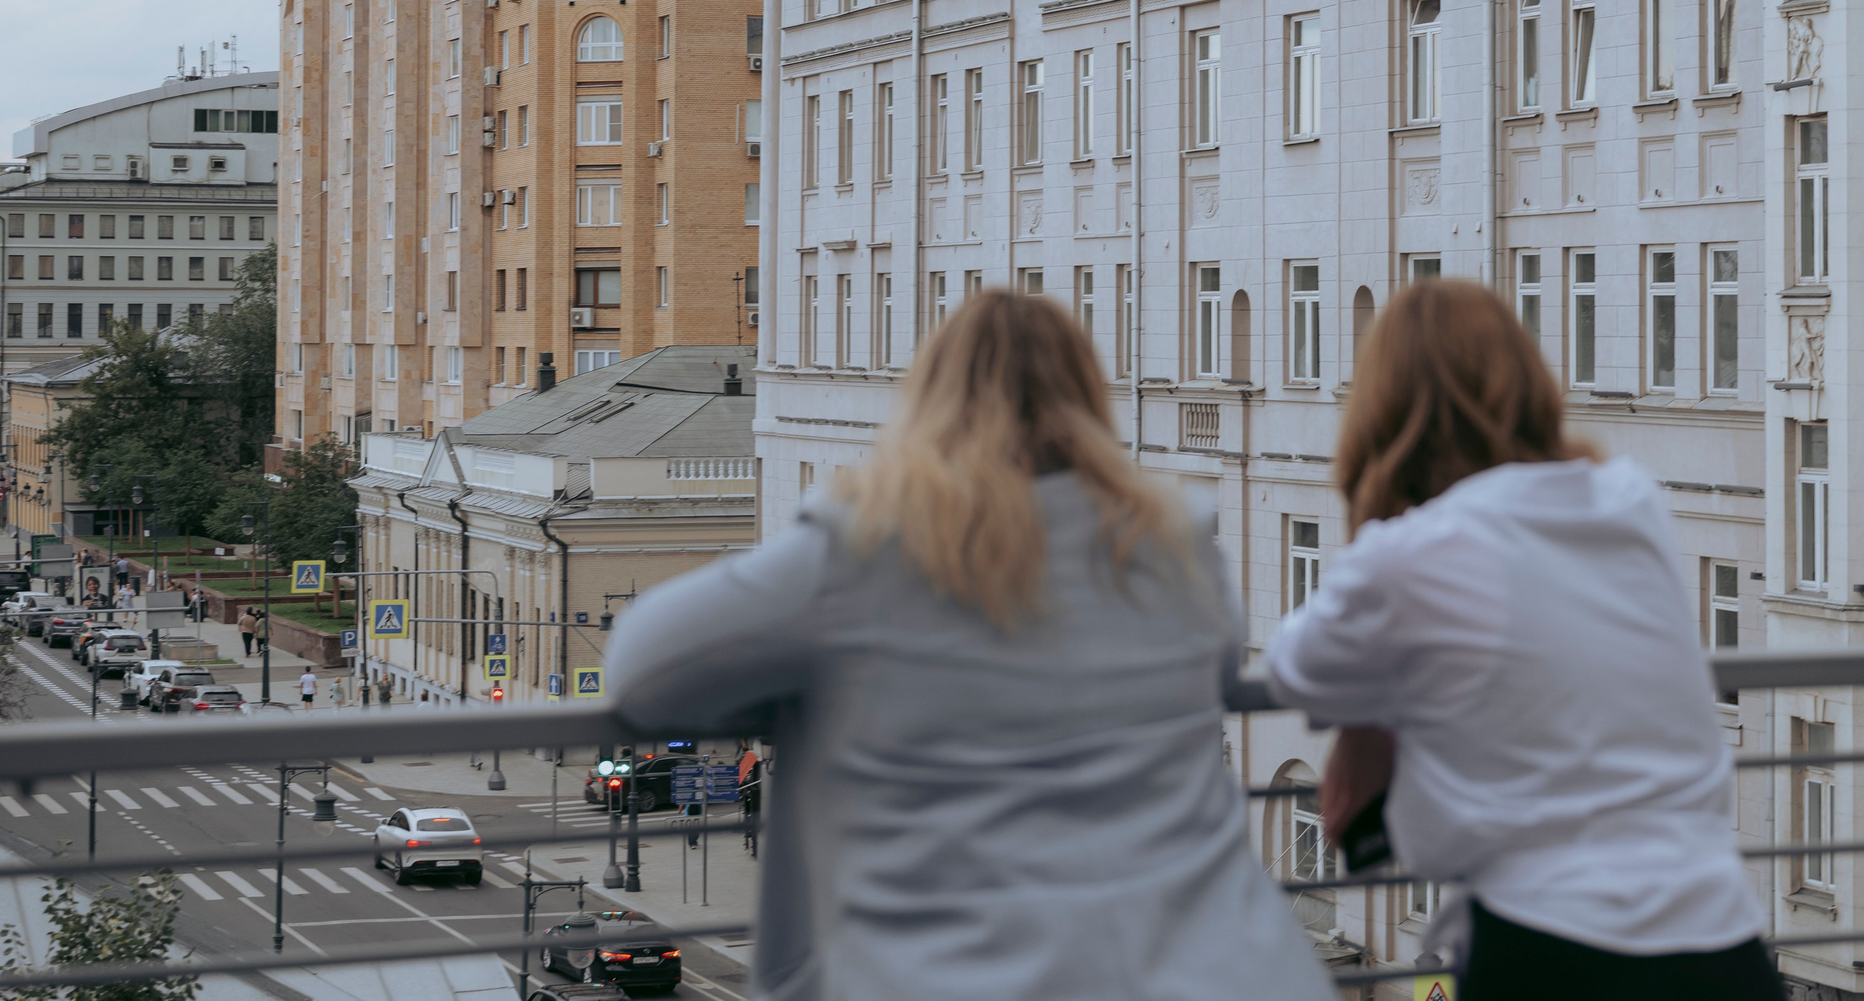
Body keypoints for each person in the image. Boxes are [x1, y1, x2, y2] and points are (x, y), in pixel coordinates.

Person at [607, 290, 1329, 1001]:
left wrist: (817, 672)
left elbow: (642, 669)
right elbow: (1217, 657)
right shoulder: (1174, 547)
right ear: (1090, 403)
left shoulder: (867, 548)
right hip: (1230, 967)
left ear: (926, 402)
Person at [1266, 279, 1776, 1001]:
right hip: (1721, 943)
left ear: (1381, 409)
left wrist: (1371, 712)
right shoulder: (1628, 501)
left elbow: (1295, 667)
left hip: (1549, 945)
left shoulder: (1416, 551)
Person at [735, 747, 762, 856]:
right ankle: (750, 840)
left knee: (750, 816)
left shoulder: (753, 760)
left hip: (751, 793)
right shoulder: (749, 759)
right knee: (749, 816)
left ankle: (751, 841)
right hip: (748, 793)